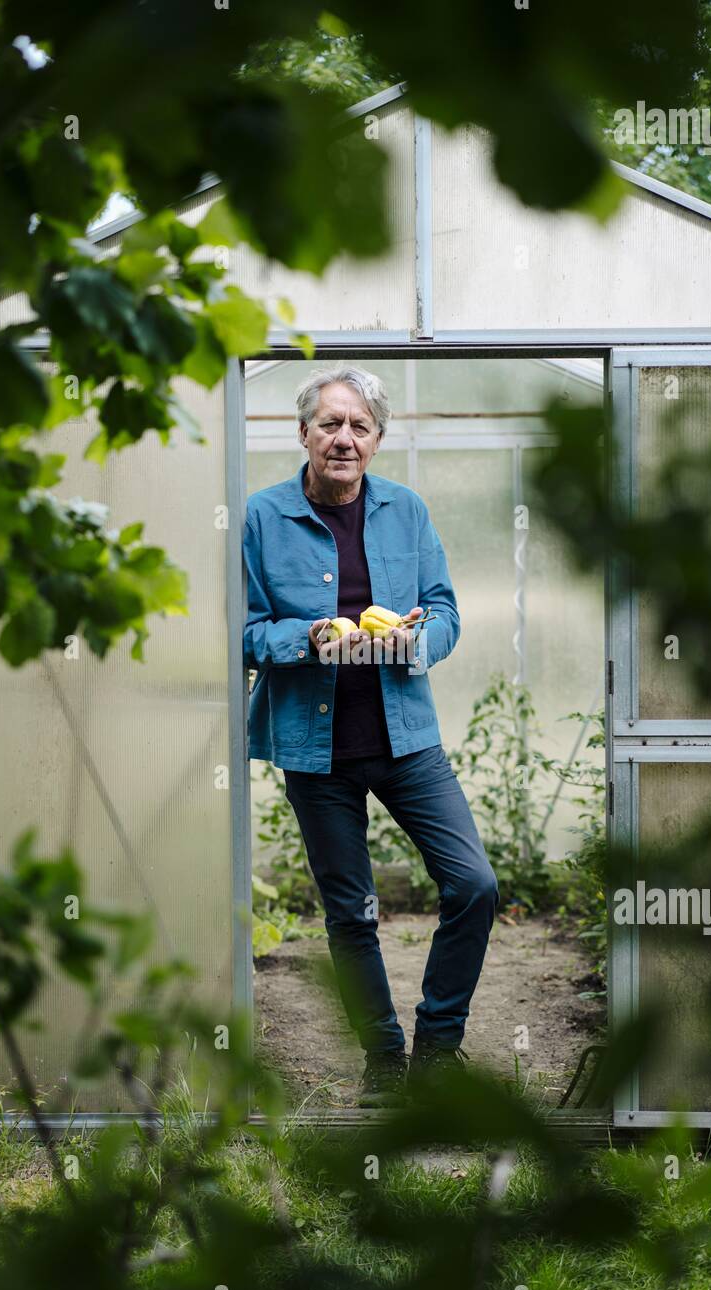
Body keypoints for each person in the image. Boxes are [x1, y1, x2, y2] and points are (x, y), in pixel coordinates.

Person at [243, 363, 499, 1106]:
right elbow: (244, 631)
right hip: (312, 747)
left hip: (405, 737)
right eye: (329, 423)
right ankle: (383, 1060)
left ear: (377, 439)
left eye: (358, 426)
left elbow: (444, 609)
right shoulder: (262, 517)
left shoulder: (406, 511)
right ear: (303, 434)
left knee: (474, 885)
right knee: (349, 912)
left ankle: (438, 1049)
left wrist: (416, 642)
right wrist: (307, 638)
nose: (343, 439)